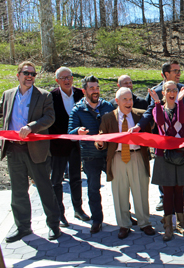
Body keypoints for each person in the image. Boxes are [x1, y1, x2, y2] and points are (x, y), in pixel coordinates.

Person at [0, 61, 62, 242]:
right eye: (26, 73)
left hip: (35, 150)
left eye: (33, 74)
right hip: (13, 150)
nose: (30, 77)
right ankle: (23, 227)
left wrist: (31, 127)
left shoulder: (44, 95)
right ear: (18, 75)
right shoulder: (8, 94)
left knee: (44, 188)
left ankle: (54, 225)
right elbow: (0, 111)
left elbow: (49, 118)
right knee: (18, 191)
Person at [95, 87, 155, 240]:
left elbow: (150, 134)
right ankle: (124, 225)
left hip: (137, 157)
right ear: (117, 101)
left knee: (141, 191)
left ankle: (144, 223)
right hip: (117, 159)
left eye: (130, 99)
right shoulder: (108, 118)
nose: (129, 102)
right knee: (120, 193)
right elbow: (101, 138)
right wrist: (100, 143)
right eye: (125, 99)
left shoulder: (140, 116)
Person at [134, 61, 184, 211]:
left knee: (180, 170)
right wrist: (139, 126)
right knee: (165, 175)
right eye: (175, 71)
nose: (179, 73)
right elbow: (150, 112)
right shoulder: (156, 91)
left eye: (180, 70)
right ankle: (163, 198)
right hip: (163, 141)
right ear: (166, 74)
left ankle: (183, 197)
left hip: (180, 139)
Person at [68, 75, 115, 234]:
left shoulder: (108, 106)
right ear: (84, 91)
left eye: (97, 87)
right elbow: (70, 132)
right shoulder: (78, 109)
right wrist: (78, 131)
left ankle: (125, 215)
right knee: (93, 189)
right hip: (90, 156)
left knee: (120, 185)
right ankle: (97, 220)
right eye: (92, 88)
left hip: (110, 154)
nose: (96, 91)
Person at [148, 81, 184, 241]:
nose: (172, 92)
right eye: (169, 90)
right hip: (164, 155)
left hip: (180, 155)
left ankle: (181, 223)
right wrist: (157, 103)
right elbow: (160, 122)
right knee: (167, 192)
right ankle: (168, 226)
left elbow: (182, 119)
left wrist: (181, 100)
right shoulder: (158, 108)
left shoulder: (182, 107)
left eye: (175, 90)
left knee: (179, 191)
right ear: (164, 93)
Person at [49, 67, 90, 227]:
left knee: (76, 178)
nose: (67, 80)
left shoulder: (80, 94)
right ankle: (59, 213)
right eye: (63, 78)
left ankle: (78, 209)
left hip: (75, 145)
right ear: (57, 80)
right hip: (58, 146)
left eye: (70, 77)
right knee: (57, 180)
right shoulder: (51, 96)